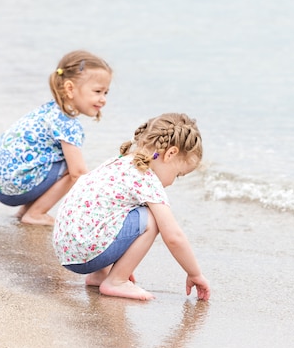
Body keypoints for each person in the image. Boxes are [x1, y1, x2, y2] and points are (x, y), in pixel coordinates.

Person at [52, 113, 211, 301]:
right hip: (87, 252)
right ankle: (116, 280)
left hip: (66, 250)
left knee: (113, 212)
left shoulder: (118, 161)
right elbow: (174, 237)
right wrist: (195, 274)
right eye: (178, 174)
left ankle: (100, 275)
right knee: (152, 219)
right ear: (171, 154)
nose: (173, 182)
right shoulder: (146, 177)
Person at [0, 50, 112, 225]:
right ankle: (36, 214)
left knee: (54, 158)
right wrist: (103, 203)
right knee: (72, 166)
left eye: (106, 92)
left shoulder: (50, 111)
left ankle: (26, 210)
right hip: (17, 188)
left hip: (0, 186)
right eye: (98, 91)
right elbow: (78, 173)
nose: (103, 99)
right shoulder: (67, 123)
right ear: (69, 88)